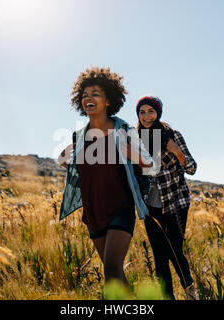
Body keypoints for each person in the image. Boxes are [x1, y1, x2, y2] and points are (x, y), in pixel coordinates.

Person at [58, 67, 157, 291]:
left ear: (108, 100)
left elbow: (151, 164)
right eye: (84, 95)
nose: (88, 98)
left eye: (95, 93)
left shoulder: (123, 130)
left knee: (111, 270)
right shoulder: (79, 137)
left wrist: (136, 156)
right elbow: (72, 165)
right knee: (116, 274)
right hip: (93, 212)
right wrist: (64, 159)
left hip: (120, 208)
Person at [135, 95, 198, 300]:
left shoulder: (172, 135)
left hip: (175, 202)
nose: (146, 116)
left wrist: (177, 151)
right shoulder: (135, 140)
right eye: (142, 112)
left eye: (150, 111)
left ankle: (189, 289)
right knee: (159, 257)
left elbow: (192, 168)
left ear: (158, 113)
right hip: (150, 207)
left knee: (174, 250)